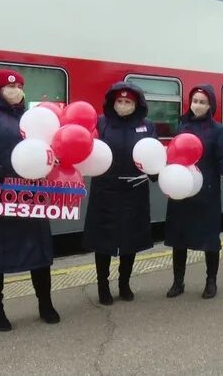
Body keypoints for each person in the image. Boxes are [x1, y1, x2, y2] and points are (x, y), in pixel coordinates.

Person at [0, 69, 59, 332]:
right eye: (9, 87)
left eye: (18, 86)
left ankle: (45, 304)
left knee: (39, 252)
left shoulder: (29, 118)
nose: (15, 91)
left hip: (31, 196)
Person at [163, 85, 223, 299]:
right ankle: (178, 282)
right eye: (194, 101)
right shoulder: (182, 126)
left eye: (202, 102)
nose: (197, 105)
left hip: (206, 192)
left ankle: (211, 282)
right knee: (179, 239)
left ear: (210, 106)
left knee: (210, 240)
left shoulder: (218, 130)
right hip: (181, 192)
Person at [83, 82, 157, 306]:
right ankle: (103, 286)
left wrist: (155, 171)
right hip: (105, 191)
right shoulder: (100, 123)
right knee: (103, 241)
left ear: (137, 105)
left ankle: (124, 284)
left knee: (130, 240)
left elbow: (152, 154)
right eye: (120, 101)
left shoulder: (148, 126)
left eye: (128, 102)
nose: (123, 105)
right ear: (112, 103)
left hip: (134, 191)